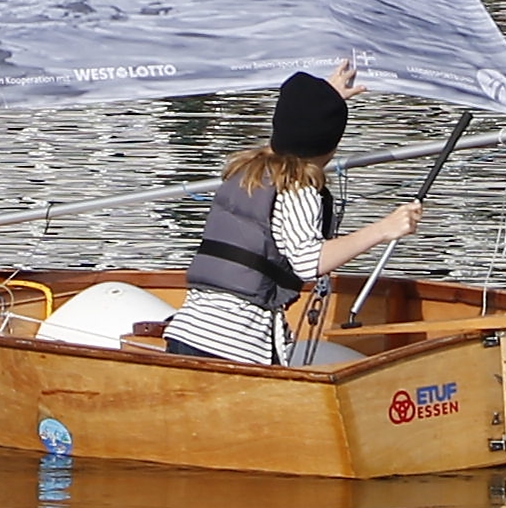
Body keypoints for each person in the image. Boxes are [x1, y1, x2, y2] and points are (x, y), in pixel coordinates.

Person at [163, 65, 424, 366]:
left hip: (188, 333)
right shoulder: (297, 187)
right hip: (237, 348)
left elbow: (299, 123)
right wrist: (384, 229)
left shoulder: (247, 170)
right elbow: (308, 262)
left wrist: (325, 99)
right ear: (332, 145)